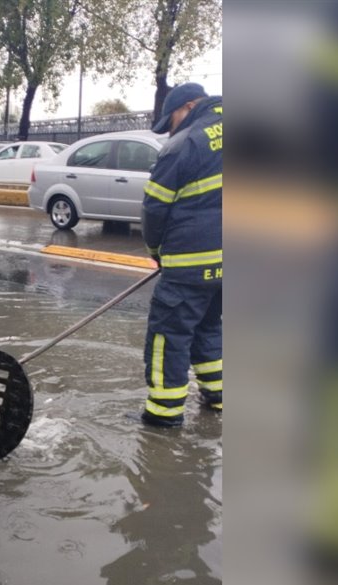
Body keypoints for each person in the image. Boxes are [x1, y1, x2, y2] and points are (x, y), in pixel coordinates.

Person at [140, 83, 223, 427]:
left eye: (171, 121)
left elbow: (155, 210)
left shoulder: (185, 144)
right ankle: (218, 397)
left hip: (189, 263)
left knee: (168, 336)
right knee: (208, 327)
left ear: (188, 106)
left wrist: (156, 251)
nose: (170, 130)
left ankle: (163, 416)